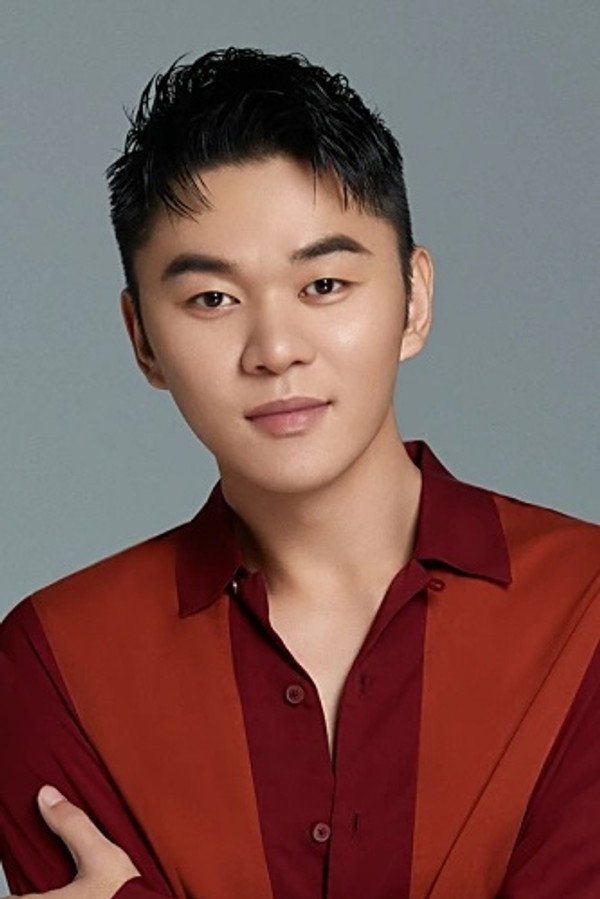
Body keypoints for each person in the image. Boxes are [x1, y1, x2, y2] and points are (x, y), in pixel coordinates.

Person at [1, 46, 599, 899]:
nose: (276, 349)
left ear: (414, 300)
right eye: (212, 298)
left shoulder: (586, 609)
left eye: (323, 283)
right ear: (143, 341)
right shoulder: (52, 662)